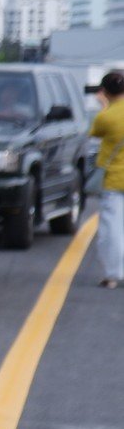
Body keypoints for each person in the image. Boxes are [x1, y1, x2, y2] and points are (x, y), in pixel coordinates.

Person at [92, 71, 124, 288]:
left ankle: (113, 275)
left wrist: (104, 106)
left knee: (112, 229)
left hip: (113, 180)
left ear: (104, 91)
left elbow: (95, 133)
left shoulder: (105, 116)